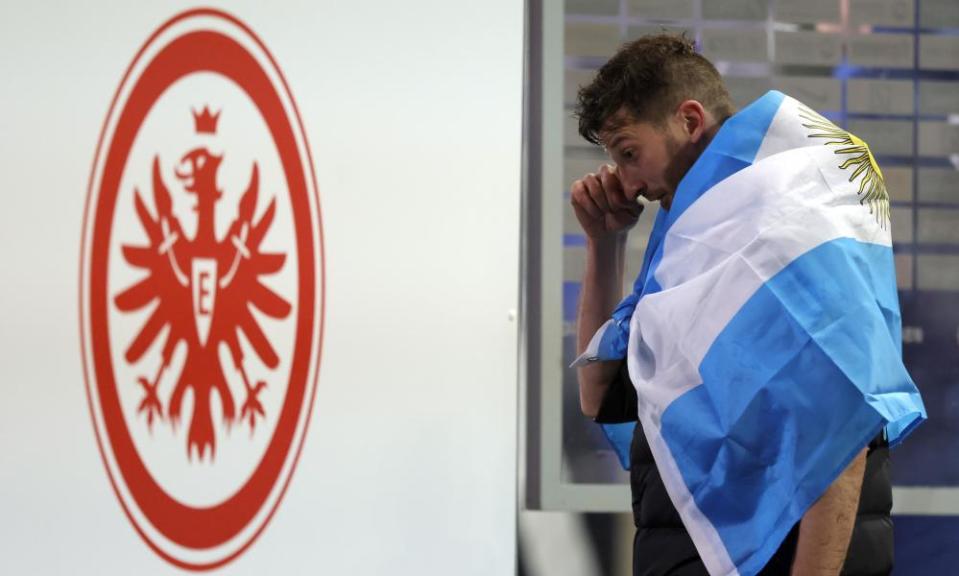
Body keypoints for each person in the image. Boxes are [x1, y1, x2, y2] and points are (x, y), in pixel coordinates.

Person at [570, 34, 896, 576]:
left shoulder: (787, 231)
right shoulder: (698, 246)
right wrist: (604, 245)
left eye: (630, 154)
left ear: (690, 121)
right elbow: (597, 392)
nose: (627, 184)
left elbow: (839, 428)